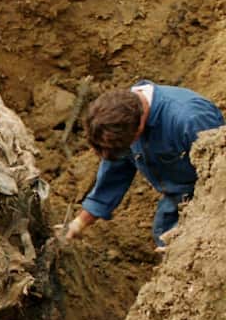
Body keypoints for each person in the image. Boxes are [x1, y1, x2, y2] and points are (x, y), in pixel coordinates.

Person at [64, 82, 224, 249]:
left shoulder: (190, 118)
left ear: (139, 127)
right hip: (176, 201)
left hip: (210, 203)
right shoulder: (121, 115)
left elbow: (221, 176)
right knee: (164, 238)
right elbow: (114, 174)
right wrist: (79, 223)